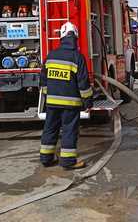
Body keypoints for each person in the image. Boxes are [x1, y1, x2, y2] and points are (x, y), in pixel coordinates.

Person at [39, 22, 93, 169]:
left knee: (50, 128)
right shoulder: (77, 57)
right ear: (75, 37)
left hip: (51, 102)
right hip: (71, 104)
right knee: (69, 130)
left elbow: (43, 80)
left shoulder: (51, 56)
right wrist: (88, 103)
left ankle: (46, 158)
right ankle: (68, 161)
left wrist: (46, 97)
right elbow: (83, 84)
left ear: (61, 37)